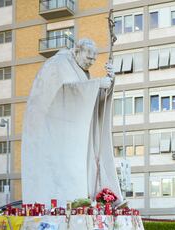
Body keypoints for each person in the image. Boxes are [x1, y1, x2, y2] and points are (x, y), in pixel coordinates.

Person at [21, 38, 122, 208]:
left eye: (93, 60)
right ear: (76, 51)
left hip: (75, 137)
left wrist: (109, 83)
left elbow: (92, 103)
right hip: (57, 136)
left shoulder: (81, 71)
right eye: (88, 58)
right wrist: (97, 84)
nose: (91, 63)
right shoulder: (57, 64)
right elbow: (61, 94)